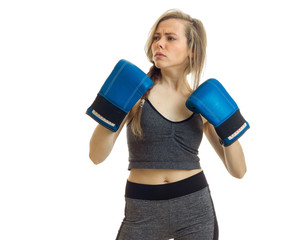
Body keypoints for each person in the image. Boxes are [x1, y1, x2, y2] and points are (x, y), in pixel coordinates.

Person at [88, 9, 248, 240]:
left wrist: (226, 124)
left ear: (192, 50)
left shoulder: (202, 102)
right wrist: (113, 109)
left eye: (170, 38)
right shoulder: (136, 94)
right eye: (156, 37)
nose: (159, 43)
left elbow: (238, 171)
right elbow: (96, 156)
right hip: (142, 209)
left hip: (195, 208)